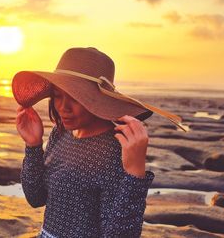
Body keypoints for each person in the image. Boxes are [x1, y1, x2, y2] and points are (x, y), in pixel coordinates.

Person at [12, 47, 185, 237]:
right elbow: (36, 197)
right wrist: (33, 146)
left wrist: (135, 174)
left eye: (75, 98)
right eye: (58, 96)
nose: (63, 107)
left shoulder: (116, 148)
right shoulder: (60, 134)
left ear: (98, 99)